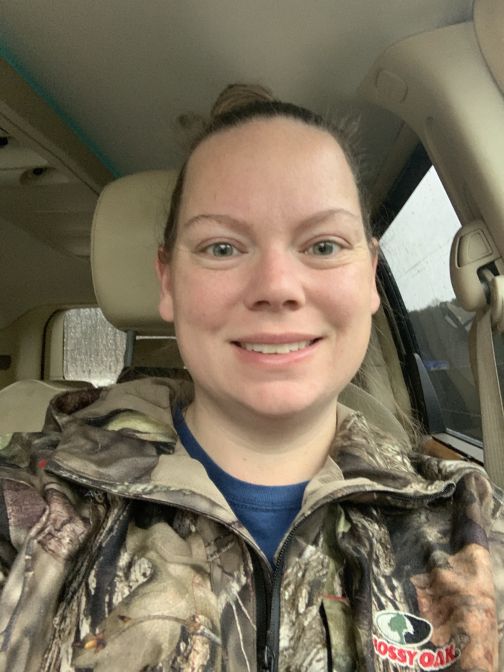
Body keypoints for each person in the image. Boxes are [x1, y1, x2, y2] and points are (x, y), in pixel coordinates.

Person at [0, 84, 503, 672]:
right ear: (168, 280)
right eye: (221, 247)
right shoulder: (32, 502)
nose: (277, 286)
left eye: (323, 245)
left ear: (370, 274)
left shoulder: (471, 521)